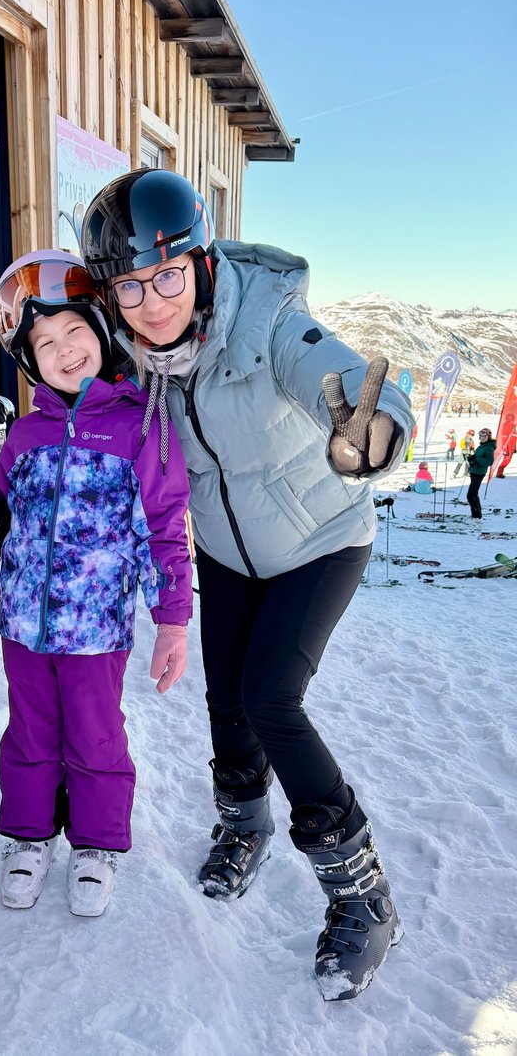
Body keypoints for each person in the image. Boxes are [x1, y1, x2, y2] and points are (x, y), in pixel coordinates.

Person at [79, 168, 414, 1000]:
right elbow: (76, 422)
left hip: (320, 540)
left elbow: (339, 377)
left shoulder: (267, 319)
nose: (152, 302)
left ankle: (362, 894)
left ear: (200, 261)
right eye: (130, 286)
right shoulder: (139, 357)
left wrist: (372, 430)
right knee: (225, 696)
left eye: (167, 275)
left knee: (270, 698)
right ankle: (243, 825)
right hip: (229, 550)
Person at [0, 250, 193, 918]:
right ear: (30, 361)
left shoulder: (139, 425)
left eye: (74, 330)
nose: (64, 350)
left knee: (95, 737)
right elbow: (0, 527)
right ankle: (29, 838)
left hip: (96, 632)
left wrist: (172, 620)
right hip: (23, 628)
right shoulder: (24, 436)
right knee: (29, 735)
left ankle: (95, 845)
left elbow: (164, 529)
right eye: (45, 342)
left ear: (102, 330)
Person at [466, 427, 496, 519]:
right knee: (474, 494)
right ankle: (477, 515)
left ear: (488, 437)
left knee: (471, 495)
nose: (482, 438)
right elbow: (477, 457)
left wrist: (477, 459)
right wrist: (472, 458)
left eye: (485, 436)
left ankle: (476, 516)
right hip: (474, 471)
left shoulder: (489, 448)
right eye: (481, 436)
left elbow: (489, 461)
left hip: (479, 473)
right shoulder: (481, 446)